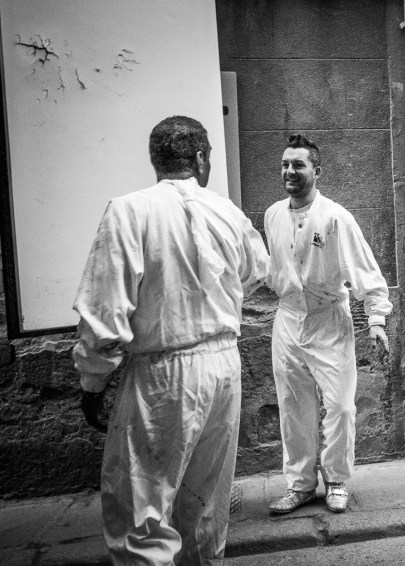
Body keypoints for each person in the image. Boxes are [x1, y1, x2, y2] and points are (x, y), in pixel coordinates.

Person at [73, 115, 270, 565]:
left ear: (155, 161)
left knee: (143, 508)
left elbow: (104, 314)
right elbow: (257, 272)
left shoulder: (128, 210)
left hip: (163, 372)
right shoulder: (227, 211)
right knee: (204, 506)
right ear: (200, 158)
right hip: (223, 366)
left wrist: (93, 382)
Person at [265, 133, 392, 515]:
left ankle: (336, 479)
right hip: (287, 321)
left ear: (316, 172)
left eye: (298, 164)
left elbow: (365, 268)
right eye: (286, 164)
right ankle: (300, 484)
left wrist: (376, 318)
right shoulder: (272, 215)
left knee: (339, 406)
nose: (289, 171)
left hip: (328, 321)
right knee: (293, 406)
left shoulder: (336, 217)